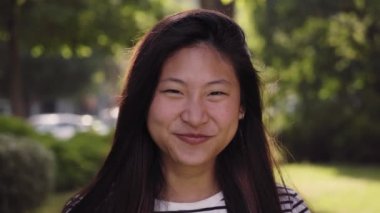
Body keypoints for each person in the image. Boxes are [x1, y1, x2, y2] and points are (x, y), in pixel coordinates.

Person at [63, 9, 310, 213]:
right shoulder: (91, 209)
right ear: (144, 99)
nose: (194, 117)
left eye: (215, 93)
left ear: (242, 106)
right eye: (174, 91)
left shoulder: (285, 208)